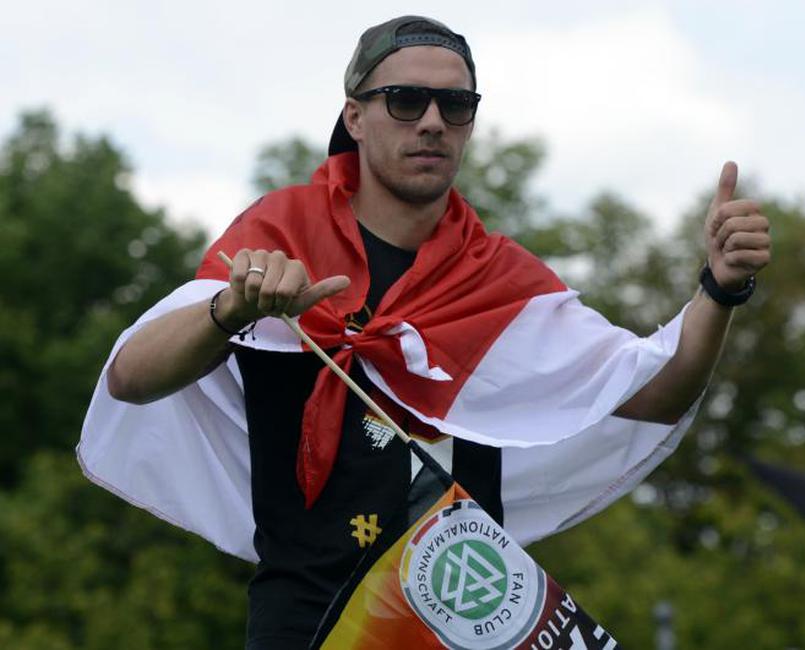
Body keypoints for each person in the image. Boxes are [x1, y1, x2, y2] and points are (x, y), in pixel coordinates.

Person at [80, 15, 770, 649]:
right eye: (406, 101)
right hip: (307, 625)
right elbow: (131, 379)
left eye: (456, 105)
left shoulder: (498, 280)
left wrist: (719, 289)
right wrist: (230, 311)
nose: (434, 122)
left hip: (461, 623)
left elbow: (656, 392)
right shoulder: (281, 234)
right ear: (355, 116)